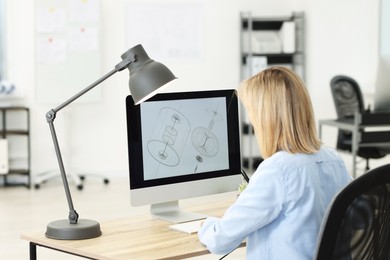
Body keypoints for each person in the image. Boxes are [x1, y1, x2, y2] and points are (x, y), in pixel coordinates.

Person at [198, 66, 352, 259]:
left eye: (252, 113)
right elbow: (361, 219)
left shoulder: (277, 171)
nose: (252, 121)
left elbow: (219, 239)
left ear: (266, 119)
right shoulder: (334, 160)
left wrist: (207, 226)